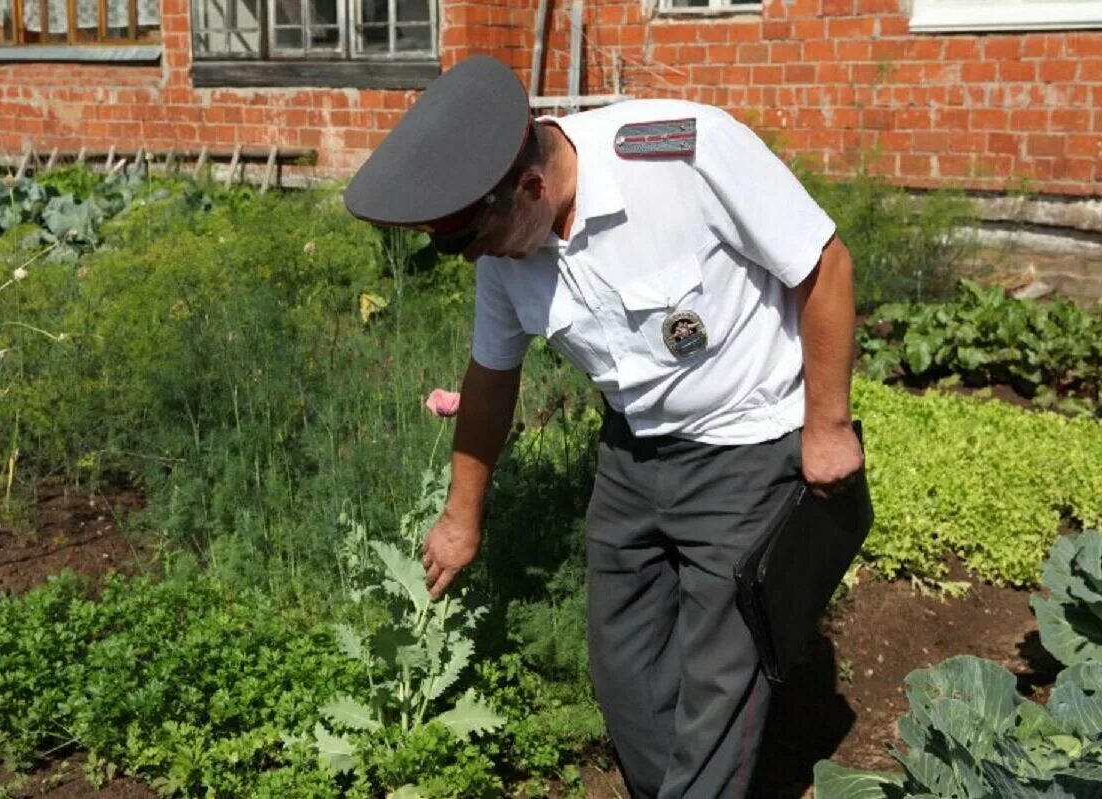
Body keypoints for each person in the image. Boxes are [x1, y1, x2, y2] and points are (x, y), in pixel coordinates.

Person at [344, 54, 863, 799]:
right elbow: (491, 381)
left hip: (746, 442)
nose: (484, 262)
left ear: (531, 186)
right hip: (633, 450)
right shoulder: (505, 248)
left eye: (486, 242)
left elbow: (825, 266)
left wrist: (828, 424)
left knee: (724, 674)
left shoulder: (685, 153)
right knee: (624, 667)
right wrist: (461, 516)